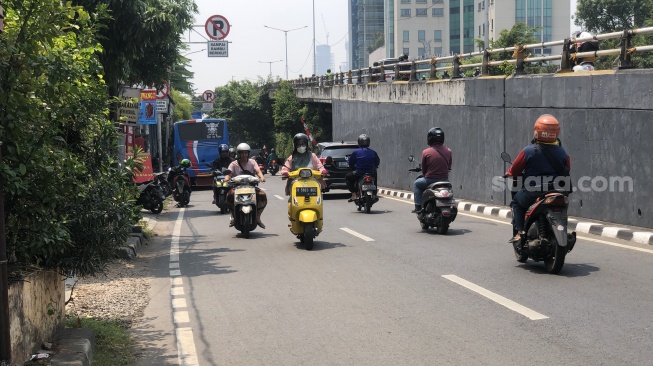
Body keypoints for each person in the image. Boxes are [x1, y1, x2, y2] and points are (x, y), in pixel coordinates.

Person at [505, 114, 571, 243]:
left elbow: (515, 170)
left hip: (533, 190)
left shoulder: (528, 151)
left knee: (516, 203)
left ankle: (520, 231)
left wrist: (509, 172)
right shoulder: (563, 152)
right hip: (556, 190)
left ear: (537, 131)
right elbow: (567, 169)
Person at [224, 143, 267, 229]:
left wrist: (261, 177)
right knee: (229, 196)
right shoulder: (233, 164)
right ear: (239, 154)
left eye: (246, 153)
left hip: (251, 186)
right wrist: (226, 178)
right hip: (237, 187)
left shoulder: (252, 162)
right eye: (242, 153)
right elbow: (228, 173)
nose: (244, 155)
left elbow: (258, 171)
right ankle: (233, 215)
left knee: (262, 195)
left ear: (248, 153)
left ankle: (258, 217)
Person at [412, 127, 452, 213]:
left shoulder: (426, 152)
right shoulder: (448, 151)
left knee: (417, 184)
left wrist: (427, 174)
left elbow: (424, 169)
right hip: (445, 180)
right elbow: (449, 166)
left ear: (430, 138)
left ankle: (418, 206)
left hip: (430, 180)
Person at [346, 134, 380, 202]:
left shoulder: (356, 152)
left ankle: (354, 194)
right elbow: (377, 161)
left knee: (348, 177)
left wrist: (352, 168)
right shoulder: (373, 152)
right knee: (375, 177)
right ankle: (374, 194)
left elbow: (351, 162)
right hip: (370, 172)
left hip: (359, 173)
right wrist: (375, 166)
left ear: (359, 142)